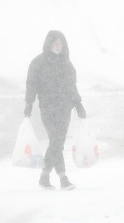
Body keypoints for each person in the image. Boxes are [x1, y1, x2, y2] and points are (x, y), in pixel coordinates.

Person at [24, 30, 86, 190]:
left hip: (65, 108)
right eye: (56, 42)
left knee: (57, 142)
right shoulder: (38, 62)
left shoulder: (66, 63)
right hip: (48, 108)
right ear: (49, 43)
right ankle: (62, 178)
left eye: (61, 42)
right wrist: (29, 103)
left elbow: (72, 85)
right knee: (56, 141)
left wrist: (78, 103)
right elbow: (32, 84)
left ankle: (45, 177)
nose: (59, 45)